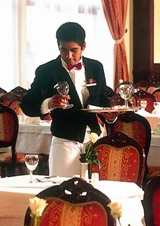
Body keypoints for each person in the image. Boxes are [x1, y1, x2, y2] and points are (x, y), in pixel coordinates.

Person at [21, 22, 111, 177]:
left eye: (73, 50)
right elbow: (27, 105)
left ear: (83, 46)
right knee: (62, 187)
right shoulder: (46, 71)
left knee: (95, 188)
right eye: (63, 50)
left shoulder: (96, 67)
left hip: (95, 139)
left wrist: (110, 116)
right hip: (64, 141)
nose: (68, 56)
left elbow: (103, 102)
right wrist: (49, 104)